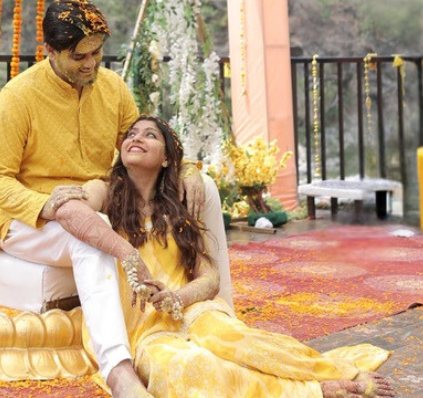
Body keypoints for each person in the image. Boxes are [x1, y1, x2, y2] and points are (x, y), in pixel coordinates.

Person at [0, 0, 230, 398]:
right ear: (50, 51)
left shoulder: (112, 87)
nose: (91, 64)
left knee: (204, 187)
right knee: (91, 238)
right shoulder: (19, 96)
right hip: (29, 220)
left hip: (98, 200)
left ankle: (219, 312)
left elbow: (141, 140)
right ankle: (119, 370)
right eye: (79, 56)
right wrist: (45, 204)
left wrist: (187, 169)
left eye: (97, 52)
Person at [51, 115, 396, 398]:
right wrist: (128, 255)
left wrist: (177, 298)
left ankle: (330, 375)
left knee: (240, 342)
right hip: (143, 332)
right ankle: (313, 391)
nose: (135, 138)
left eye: (150, 135)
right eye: (130, 134)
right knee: (186, 368)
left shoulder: (177, 209)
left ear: (168, 158)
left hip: (194, 311)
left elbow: (210, 278)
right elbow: (70, 210)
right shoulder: (107, 192)